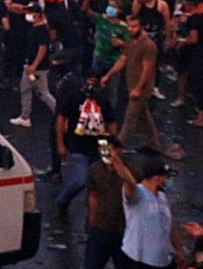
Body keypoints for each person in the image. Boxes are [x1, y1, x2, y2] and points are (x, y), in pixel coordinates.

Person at [55, 69, 117, 223]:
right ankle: (63, 201)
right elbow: (61, 120)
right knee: (80, 180)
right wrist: (61, 144)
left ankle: (93, 216)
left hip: (100, 144)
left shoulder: (103, 101)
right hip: (77, 144)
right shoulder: (73, 98)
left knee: (98, 183)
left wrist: (111, 147)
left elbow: (111, 123)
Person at [110, 150, 182, 269]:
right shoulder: (138, 194)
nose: (167, 180)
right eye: (166, 177)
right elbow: (130, 182)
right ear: (158, 178)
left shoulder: (162, 197)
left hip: (162, 261)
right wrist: (118, 163)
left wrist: (178, 249)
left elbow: (168, 224)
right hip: (137, 261)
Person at [107, 14, 163, 153]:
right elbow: (123, 59)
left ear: (141, 27)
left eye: (134, 26)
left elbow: (147, 69)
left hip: (141, 88)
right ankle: (155, 143)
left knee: (129, 119)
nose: (130, 29)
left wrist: (138, 88)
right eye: (129, 26)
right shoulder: (131, 41)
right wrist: (108, 75)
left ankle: (114, 149)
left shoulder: (148, 45)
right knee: (145, 116)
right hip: (132, 85)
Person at [83, 136, 125, 269]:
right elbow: (93, 195)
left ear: (119, 151)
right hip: (100, 228)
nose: (106, 154)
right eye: (103, 150)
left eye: (110, 150)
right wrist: (91, 219)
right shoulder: (95, 170)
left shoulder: (130, 172)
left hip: (122, 229)